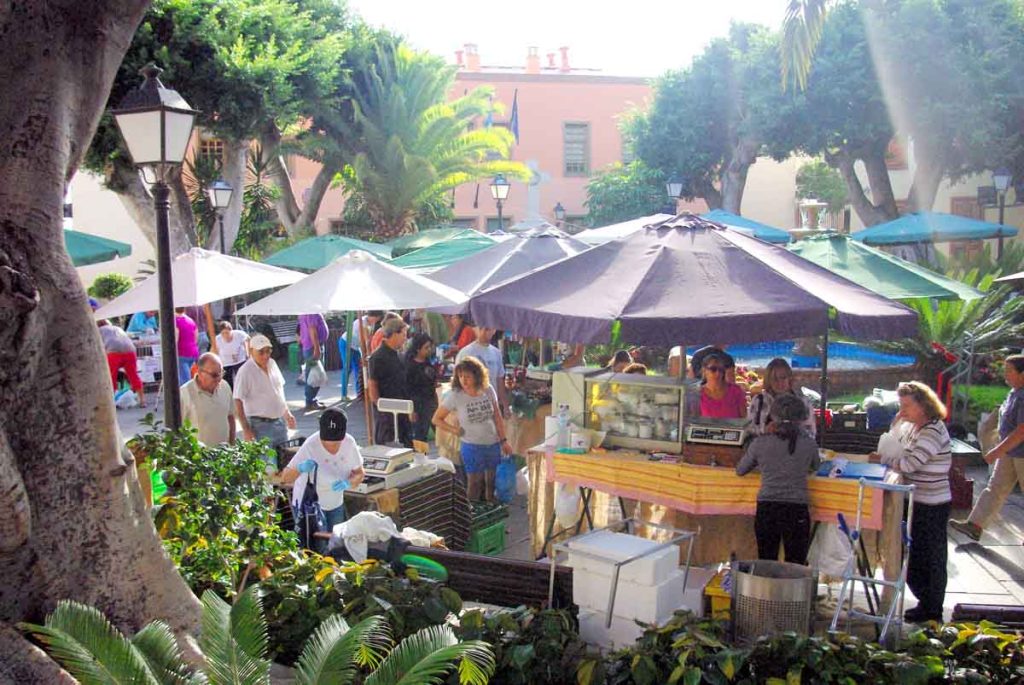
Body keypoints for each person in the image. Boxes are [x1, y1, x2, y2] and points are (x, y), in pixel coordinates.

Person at [883, 381, 952, 623]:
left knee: (931, 556)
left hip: (932, 503)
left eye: (907, 406)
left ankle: (932, 607)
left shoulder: (933, 430)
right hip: (915, 500)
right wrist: (897, 420)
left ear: (923, 406)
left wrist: (888, 461)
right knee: (914, 555)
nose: (903, 410)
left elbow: (910, 463)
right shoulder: (913, 427)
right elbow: (894, 441)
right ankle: (924, 602)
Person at [736, 394, 820, 565]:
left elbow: (740, 470)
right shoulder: (809, 444)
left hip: (767, 508)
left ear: (772, 416)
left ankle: (767, 592)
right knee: (795, 564)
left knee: (767, 561)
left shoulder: (760, 443)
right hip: (797, 509)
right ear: (802, 418)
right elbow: (815, 466)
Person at [951, 355, 1024, 544]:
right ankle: (975, 525)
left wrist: (997, 450)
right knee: (995, 488)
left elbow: (1021, 430)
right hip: (1011, 452)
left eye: (1009, 371)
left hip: (1019, 452)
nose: (1005, 374)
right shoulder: (1014, 392)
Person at [432, 357, 511, 502]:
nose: (464, 380)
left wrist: (504, 440)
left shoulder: (488, 390)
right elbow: (436, 419)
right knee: (474, 483)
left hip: (492, 443)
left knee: (490, 483)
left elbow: (497, 416)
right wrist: (454, 430)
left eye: (467, 376)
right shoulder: (455, 395)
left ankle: (490, 509)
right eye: (461, 376)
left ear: (477, 376)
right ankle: (471, 513)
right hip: (471, 446)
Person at [279, 407, 365, 530]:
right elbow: (285, 477)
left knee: (335, 542)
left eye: (336, 442)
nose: (331, 445)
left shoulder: (349, 443)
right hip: (310, 507)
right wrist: (300, 468)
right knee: (318, 545)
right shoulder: (310, 445)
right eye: (327, 440)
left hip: (335, 503)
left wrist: (349, 483)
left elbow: (359, 473)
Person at [233, 334, 296, 468]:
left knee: (284, 463)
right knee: (266, 467)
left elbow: (279, 391)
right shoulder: (245, 371)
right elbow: (237, 400)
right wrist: (246, 429)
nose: (265, 355)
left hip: (279, 422)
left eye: (268, 351)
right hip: (259, 425)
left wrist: (287, 413)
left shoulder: (272, 364)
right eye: (261, 352)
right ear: (251, 351)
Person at [368, 317, 412, 446]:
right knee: (389, 446)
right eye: (403, 334)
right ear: (394, 334)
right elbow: (373, 387)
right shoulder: (378, 357)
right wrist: (382, 410)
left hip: (401, 409)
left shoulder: (398, 354)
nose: (405, 338)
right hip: (387, 414)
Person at [748, 358, 816, 438]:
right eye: (775, 379)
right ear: (768, 380)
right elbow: (749, 429)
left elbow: (811, 433)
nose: (780, 383)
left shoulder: (803, 402)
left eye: (783, 378)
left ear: (789, 378)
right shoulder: (759, 401)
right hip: (765, 448)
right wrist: (765, 430)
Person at [180, 352, 235, 445]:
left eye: (221, 373)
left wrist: (232, 446)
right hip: (198, 456)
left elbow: (230, 417)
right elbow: (177, 431)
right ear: (200, 372)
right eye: (214, 375)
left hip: (225, 454)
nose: (219, 379)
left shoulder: (225, 386)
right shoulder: (184, 393)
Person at [456, 326, 509, 416]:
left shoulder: (496, 353)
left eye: (488, 329)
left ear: (494, 330)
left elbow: (499, 381)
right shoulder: (466, 352)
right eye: (481, 328)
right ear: (476, 329)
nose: (483, 332)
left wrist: (505, 405)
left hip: (491, 405)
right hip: (471, 406)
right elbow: (457, 382)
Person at [98, 318, 146, 408]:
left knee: (111, 376)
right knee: (133, 375)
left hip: (113, 351)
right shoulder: (117, 328)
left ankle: (112, 401)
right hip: (130, 351)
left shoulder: (98, 331)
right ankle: (142, 400)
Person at [338, 311, 382, 400]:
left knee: (358, 368)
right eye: (377, 318)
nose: (377, 321)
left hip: (355, 346)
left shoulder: (370, 322)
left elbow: (368, 340)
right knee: (347, 368)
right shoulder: (363, 323)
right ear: (373, 316)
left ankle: (360, 393)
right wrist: (367, 355)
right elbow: (364, 342)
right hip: (346, 343)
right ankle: (343, 394)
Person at [691, 353, 747, 419]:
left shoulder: (735, 391)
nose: (718, 373)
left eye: (721, 369)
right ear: (704, 370)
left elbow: (743, 419)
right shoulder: (697, 394)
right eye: (713, 369)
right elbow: (695, 421)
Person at [406, 332, 438, 443]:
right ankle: (420, 457)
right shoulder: (410, 366)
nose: (429, 350)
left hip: (431, 402)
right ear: (418, 349)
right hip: (418, 404)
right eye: (426, 347)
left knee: (439, 431)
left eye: (430, 347)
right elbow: (407, 388)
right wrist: (411, 410)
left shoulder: (429, 361)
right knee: (420, 435)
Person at [299, 313, 329, 410]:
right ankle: (310, 401)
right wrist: (316, 347)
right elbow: (312, 329)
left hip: (310, 346)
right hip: (313, 347)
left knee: (313, 374)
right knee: (314, 375)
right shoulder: (311, 311)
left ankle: (311, 400)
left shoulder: (305, 311)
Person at [215, 321, 249, 388]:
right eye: (223, 333)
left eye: (227, 333)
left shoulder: (239, 334)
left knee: (242, 379)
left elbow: (247, 340)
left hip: (240, 360)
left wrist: (248, 354)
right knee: (228, 383)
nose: (225, 335)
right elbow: (214, 351)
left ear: (231, 331)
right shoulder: (218, 339)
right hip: (225, 362)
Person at [174, 307, 199, 385]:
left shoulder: (175, 321)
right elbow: (196, 337)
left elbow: (176, 337)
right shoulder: (191, 320)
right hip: (193, 351)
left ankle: (186, 396)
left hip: (181, 352)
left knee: (185, 380)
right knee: (189, 376)